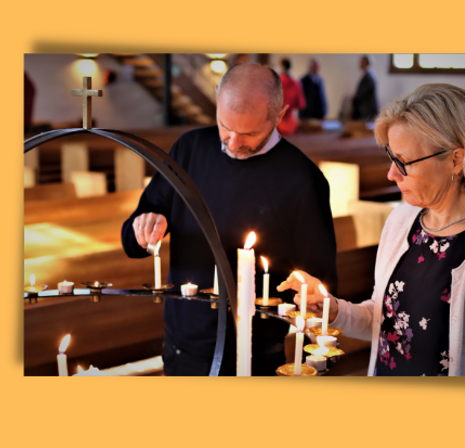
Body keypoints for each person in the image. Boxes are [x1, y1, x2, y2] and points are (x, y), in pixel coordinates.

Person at [121, 63, 337, 376]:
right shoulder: (189, 149)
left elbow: (320, 283)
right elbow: (132, 241)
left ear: (279, 115)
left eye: (250, 133)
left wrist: (309, 296)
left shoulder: (303, 179)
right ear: (217, 100)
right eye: (225, 126)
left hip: (256, 352)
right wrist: (144, 226)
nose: (233, 143)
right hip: (182, 343)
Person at [279, 84, 465, 376]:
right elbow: (382, 319)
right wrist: (333, 309)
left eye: (404, 161)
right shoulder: (401, 220)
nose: (391, 173)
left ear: (456, 159)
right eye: (391, 157)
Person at [277, 58, 306, 135]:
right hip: (291, 122)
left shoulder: (276, 82)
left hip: (278, 122)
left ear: (281, 66)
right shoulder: (296, 83)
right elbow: (301, 104)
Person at [351, 55, 379, 121]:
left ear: (366, 62)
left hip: (367, 110)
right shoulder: (367, 75)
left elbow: (362, 93)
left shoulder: (369, 76)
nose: (359, 64)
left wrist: (354, 99)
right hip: (365, 110)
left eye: (361, 62)